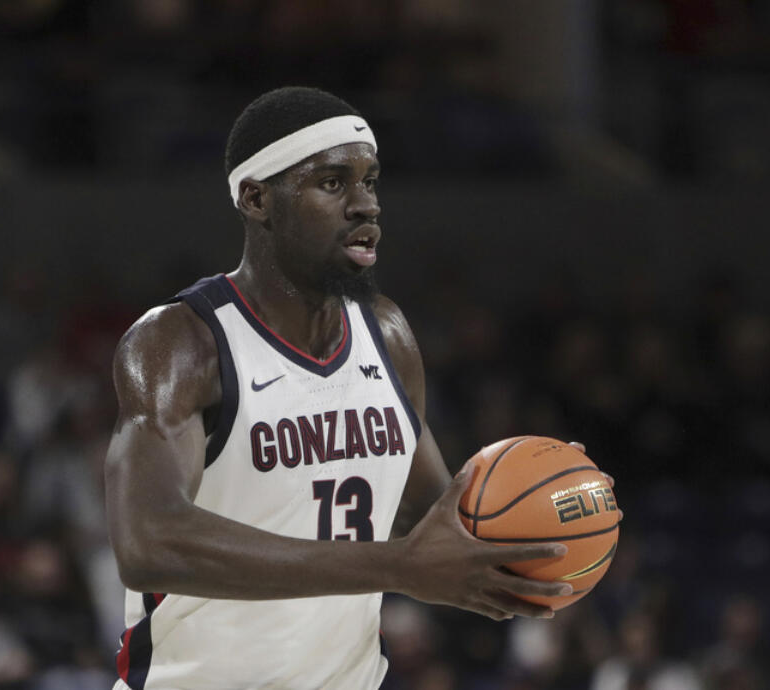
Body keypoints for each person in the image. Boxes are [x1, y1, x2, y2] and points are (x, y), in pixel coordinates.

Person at [104, 86, 604, 689]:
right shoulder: (182, 343)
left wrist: (548, 506)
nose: (366, 205)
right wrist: (397, 567)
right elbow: (149, 542)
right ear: (257, 198)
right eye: (334, 183)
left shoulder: (386, 334)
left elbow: (428, 523)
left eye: (370, 182)